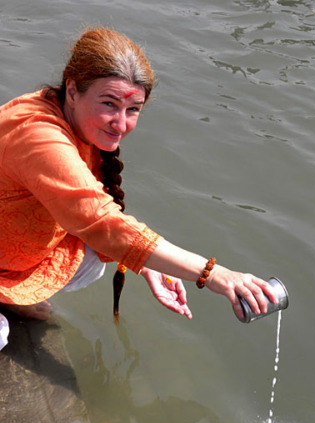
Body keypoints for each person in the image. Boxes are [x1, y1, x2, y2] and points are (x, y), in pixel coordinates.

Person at [0, 27, 277, 350]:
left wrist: (146, 263)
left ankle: (8, 297)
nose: (120, 124)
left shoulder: (64, 111)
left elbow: (95, 217)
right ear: (73, 91)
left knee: (93, 261)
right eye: (109, 104)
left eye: (132, 110)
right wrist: (214, 275)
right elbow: (101, 221)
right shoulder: (38, 136)